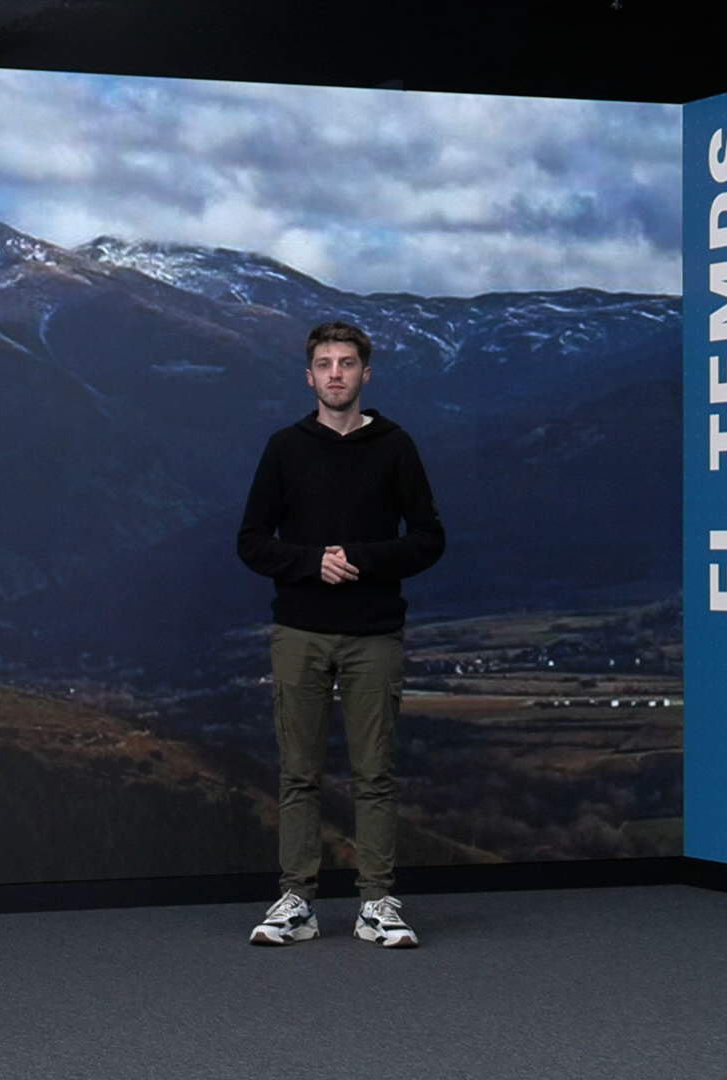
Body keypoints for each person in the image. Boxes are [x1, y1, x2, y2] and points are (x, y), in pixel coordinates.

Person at [236, 321, 445, 947]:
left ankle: (377, 903)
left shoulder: (396, 447)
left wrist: (362, 558)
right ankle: (295, 902)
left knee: (374, 773)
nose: (335, 373)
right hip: (299, 630)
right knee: (297, 773)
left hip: (374, 634)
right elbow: (251, 540)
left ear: (364, 374)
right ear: (309, 376)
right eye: (324, 363)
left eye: (346, 363)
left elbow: (429, 538)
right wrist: (310, 563)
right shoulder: (283, 448)